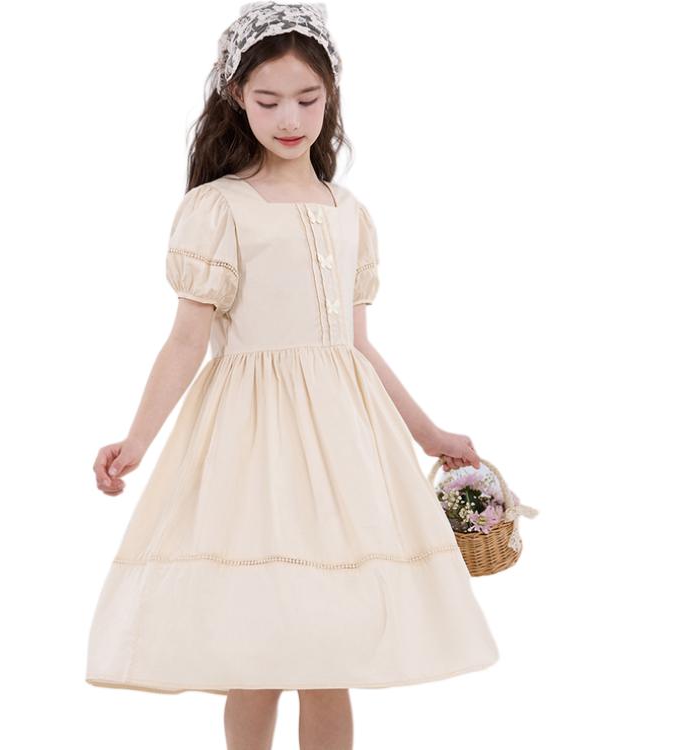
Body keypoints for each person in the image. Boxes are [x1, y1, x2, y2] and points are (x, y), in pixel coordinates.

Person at [86, 3, 499, 749]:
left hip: (343, 447)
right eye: (268, 99)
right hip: (252, 448)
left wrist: (429, 432)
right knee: (257, 649)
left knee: (330, 652)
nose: (289, 118)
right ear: (236, 96)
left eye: (307, 99)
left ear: (330, 95)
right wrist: (137, 440)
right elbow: (186, 341)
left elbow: (358, 345)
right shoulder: (218, 208)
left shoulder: (349, 213)